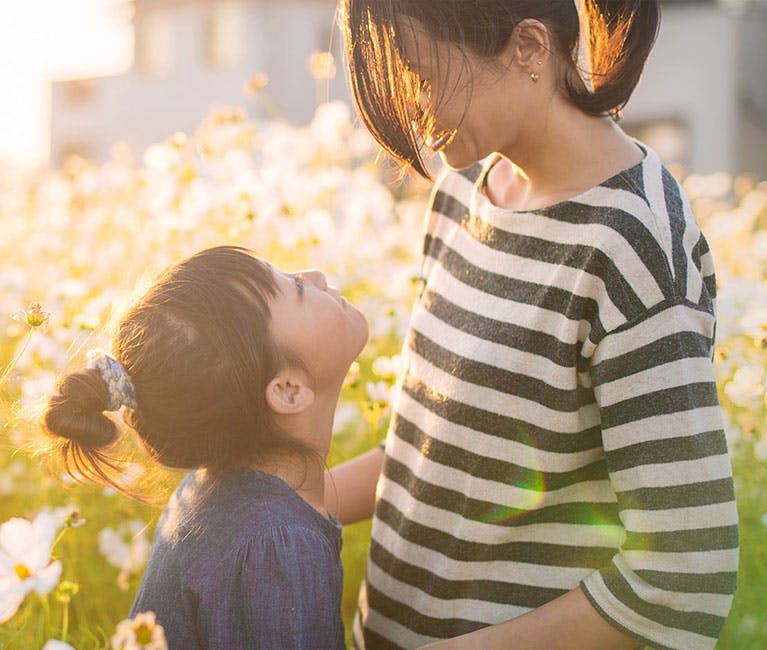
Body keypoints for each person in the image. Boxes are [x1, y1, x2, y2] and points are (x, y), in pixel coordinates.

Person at [327, 1, 739, 648]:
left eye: (422, 78)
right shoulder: (463, 192)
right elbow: (431, 447)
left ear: (526, 48)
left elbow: (684, 575)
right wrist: (263, 510)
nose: (412, 107)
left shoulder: (633, 246)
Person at [43, 245, 369, 649]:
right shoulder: (276, 548)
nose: (317, 274)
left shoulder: (218, 492)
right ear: (288, 391)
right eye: (299, 289)